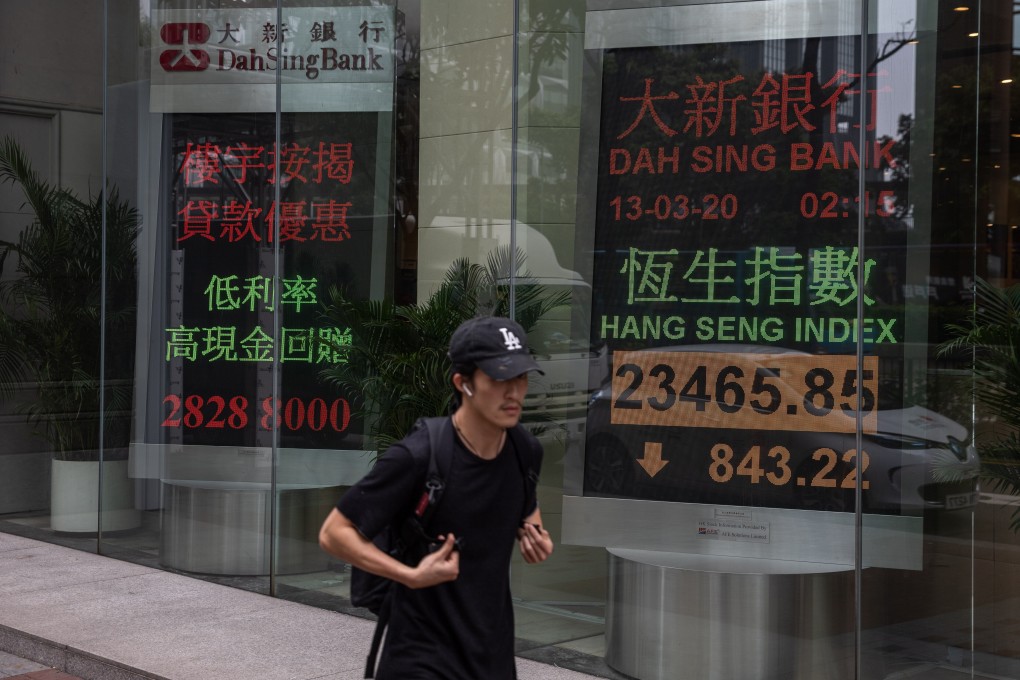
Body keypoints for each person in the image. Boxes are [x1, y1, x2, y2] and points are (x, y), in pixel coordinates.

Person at [319, 315, 555, 679]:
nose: (514, 392)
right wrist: (408, 575)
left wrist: (534, 533)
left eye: (521, 377)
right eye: (499, 378)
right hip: (422, 656)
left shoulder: (525, 451)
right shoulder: (419, 455)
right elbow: (334, 532)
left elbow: (526, 506)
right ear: (463, 383)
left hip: (491, 656)